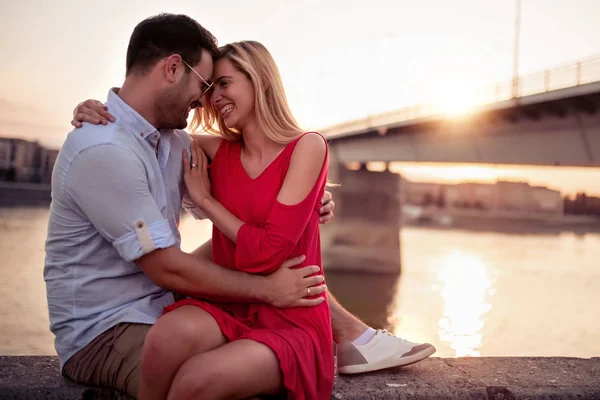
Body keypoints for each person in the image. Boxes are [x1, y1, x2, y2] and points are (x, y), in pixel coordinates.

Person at [59, 12, 434, 399]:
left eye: (221, 84)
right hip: (155, 316)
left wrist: (306, 202)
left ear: (260, 81)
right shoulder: (172, 147)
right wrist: (94, 111)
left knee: (198, 378)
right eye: (206, 87)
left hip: (265, 316)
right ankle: (356, 335)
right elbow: (133, 134)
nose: (209, 98)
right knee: (177, 340)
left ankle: (352, 335)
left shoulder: (194, 145)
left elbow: (267, 241)